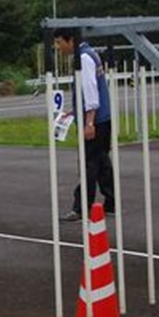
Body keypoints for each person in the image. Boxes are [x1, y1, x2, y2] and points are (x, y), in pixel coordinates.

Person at [54, 28, 115, 222]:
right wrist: (75, 111)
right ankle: (110, 201)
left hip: (95, 120)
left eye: (58, 42)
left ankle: (81, 207)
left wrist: (89, 121)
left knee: (88, 164)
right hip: (103, 118)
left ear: (70, 40)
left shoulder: (83, 59)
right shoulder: (92, 54)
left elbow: (90, 91)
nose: (58, 47)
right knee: (102, 161)